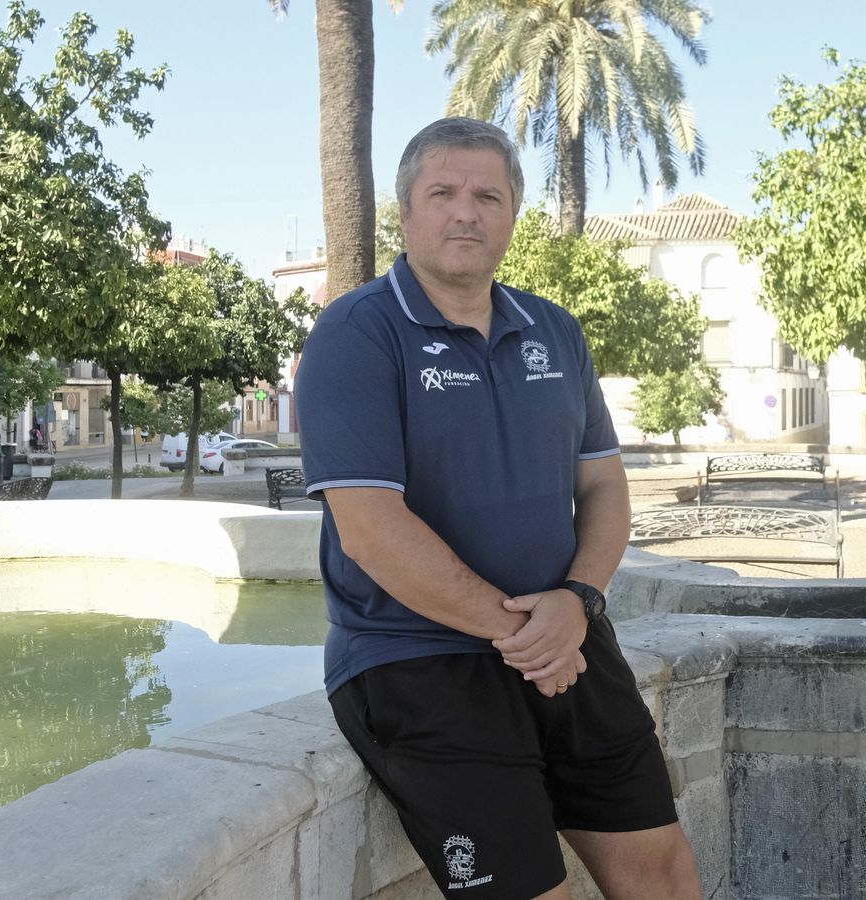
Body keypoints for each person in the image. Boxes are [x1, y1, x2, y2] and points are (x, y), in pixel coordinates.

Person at [295, 117, 702, 900]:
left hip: (568, 640)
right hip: (416, 659)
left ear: (513, 214)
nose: (465, 212)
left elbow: (605, 489)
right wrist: (530, 631)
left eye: (488, 195)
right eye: (442, 193)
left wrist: (579, 602)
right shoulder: (357, 334)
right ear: (406, 214)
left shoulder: (555, 329)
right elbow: (373, 533)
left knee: (663, 874)